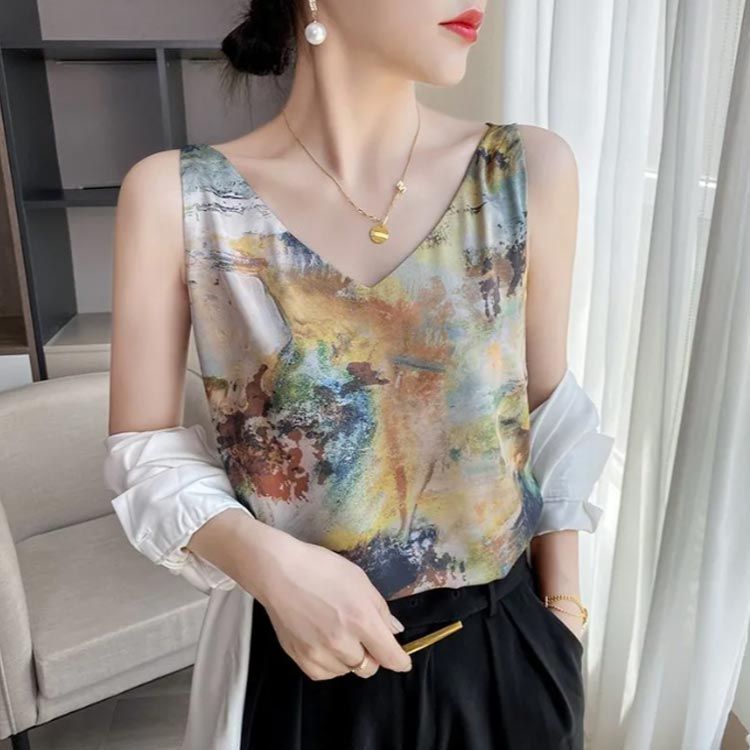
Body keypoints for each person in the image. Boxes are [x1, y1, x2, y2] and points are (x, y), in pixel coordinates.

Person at [103, 1, 613, 748]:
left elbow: (547, 406)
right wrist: (267, 564)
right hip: (301, 671)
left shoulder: (525, 169)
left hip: (504, 656)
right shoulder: (178, 198)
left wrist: (563, 618)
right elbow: (144, 451)